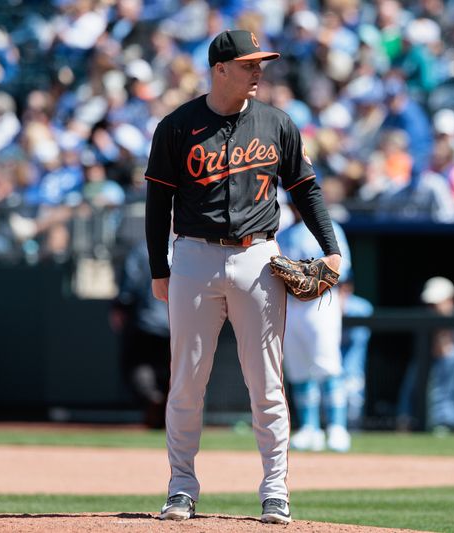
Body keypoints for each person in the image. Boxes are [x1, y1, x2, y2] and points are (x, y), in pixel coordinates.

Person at [144, 30, 342, 524]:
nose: (259, 71)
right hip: (193, 255)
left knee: (267, 383)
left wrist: (331, 250)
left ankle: (276, 490)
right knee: (186, 381)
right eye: (249, 63)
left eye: (261, 63)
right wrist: (158, 268)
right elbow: (157, 203)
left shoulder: (277, 123)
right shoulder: (177, 126)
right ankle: (181, 488)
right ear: (220, 68)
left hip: (259, 258)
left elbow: (307, 192)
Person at [276, 210, 352, 452]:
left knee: (328, 365)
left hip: (322, 302)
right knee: (298, 369)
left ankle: (337, 427)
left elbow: (343, 267)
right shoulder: (284, 233)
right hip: (292, 305)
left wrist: (311, 276)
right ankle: (310, 428)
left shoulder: (329, 228)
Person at [396, 276, 454, 430]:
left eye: (436, 304)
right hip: (422, 422)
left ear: (451, 301)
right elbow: (408, 392)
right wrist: (405, 417)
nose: (432, 310)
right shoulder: (420, 358)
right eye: (429, 305)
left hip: (452, 422)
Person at [110, 239, 171, 429]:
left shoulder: (142, 250)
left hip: (146, 321)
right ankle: (164, 411)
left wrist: (120, 306)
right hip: (177, 324)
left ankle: (151, 397)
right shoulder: (189, 248)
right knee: (172, 370)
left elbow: (129, 286)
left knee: (137, 364)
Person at [339, 277, 374, 429]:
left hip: (353, 371)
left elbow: (366, 311)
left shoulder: (360, 305)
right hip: (329, 371)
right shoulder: (324, 305)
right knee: (327, 417)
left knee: (353, 415)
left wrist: (342, 306)